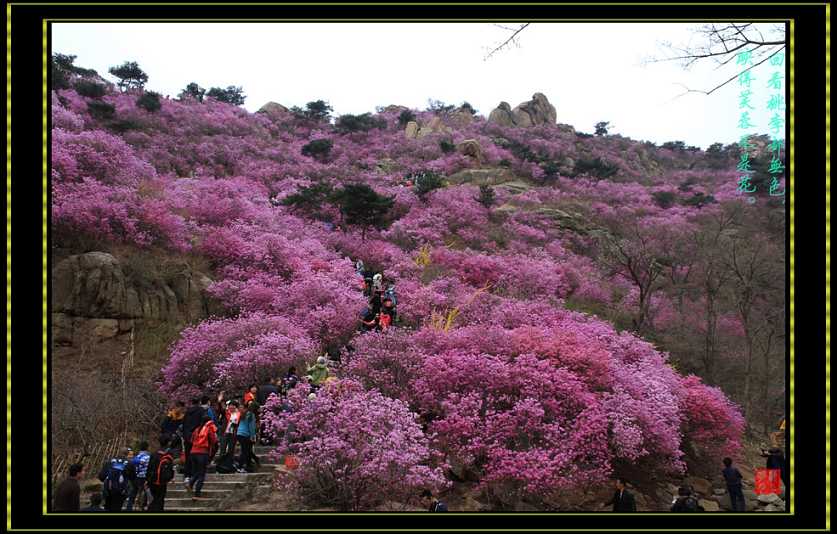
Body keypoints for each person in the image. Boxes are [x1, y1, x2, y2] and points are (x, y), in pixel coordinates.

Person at [187, 415, 218, 498]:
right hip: (202, 453)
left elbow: (191, 440)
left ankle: (190, 483)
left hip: (193, 453)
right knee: (202, 474)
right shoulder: (208, 429)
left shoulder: (197, 429)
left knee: (197, 471)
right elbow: (214, 440)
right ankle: (197, 492)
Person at [146, 435, 177, 512]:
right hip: (163, 482)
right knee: (160, 500)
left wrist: (147, 479)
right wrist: (170, 477)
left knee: (152, 500)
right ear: (168, 443)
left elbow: (149, 468)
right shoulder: (168, 456)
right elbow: (171, 469)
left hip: (152, 481)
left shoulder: (154, 454)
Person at [181, 398, 206, 485]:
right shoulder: (201, 411)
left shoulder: (187, 412)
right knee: (197, 455)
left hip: (187, 436)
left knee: (188, 455)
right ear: (199, 402)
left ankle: (187, 475)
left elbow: (183, 424)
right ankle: (195, 474)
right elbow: (202, 423)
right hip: (196, 437)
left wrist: (185, 435)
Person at [125, 441, 151, 511]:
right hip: (145, 478)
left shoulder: (136, 457)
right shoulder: (149, 457)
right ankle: (142, 507)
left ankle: (129, 508)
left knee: (133, 494)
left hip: (136, 478)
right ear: (147, 448)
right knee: (145, 494)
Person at [236, 403, 258, 473]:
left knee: (247, 450)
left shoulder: (243, 414)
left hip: (239, 434)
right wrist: (252, 436)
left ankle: (249, 466)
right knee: (245, 451)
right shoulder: (251, 415)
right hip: (245, 434)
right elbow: (251, 427)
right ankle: (240, 466)